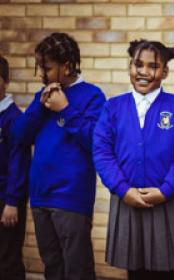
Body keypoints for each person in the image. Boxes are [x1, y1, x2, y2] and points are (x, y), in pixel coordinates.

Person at [93, 39, 174, 280]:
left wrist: (166, 190)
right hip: (127, 199)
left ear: (164, 71)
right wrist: (123, 189)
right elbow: (102, 152)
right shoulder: (113, 108)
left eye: (152, 66)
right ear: (130, 66)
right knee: (136, 272)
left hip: (168, 199)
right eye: (137, 64)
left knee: (167, 271)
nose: (143, 72)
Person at [12, 33, 105, 280]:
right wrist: (38, 108)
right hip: (41, 196)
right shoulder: (43, 96)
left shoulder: (93, 96)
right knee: (52, 266)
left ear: (66, 67)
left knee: (77, 269)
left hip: (72, 199)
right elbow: (20, 135)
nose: (41, 74)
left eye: (46, 68)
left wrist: (66, 109)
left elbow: (95, 141)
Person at [0, 55, 31, 280]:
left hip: (6, 201)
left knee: (7, 259)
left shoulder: (14, 119)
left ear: (5, 80)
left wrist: (12, 201)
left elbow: (19, 163)